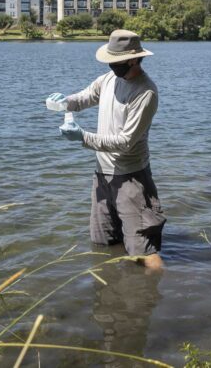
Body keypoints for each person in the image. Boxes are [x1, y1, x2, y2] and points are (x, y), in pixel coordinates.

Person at [47, 29, 166, 270]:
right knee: (103, 242)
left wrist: (83, 137)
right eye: (109, 60)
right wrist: (64, 102)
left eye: (116, 61)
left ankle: (164, 295)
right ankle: (115, 294)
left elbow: (125, 142)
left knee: (143, 251)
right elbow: (85, 97)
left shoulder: (145, 92)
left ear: (133, 59)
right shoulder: (109, 79)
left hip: (131, 178)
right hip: (102, 175)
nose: (111, 65)